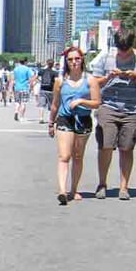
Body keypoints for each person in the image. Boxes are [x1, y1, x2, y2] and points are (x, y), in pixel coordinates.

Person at [90, 29, 136, 200]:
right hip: (108, 107)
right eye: (120, 49)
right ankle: (102, 183)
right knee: (105, 145)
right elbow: (93, 82)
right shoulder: (106, 57)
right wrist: (107, 77)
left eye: (126, 50)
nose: (122, 52)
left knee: (126, 148)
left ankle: (123, 187)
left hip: (132, 109)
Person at [48, 46, 101, 204]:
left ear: (82, 59)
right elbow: (55, 105)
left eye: (77, 59)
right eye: (70, 59)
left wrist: (82, 101)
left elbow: (97, 102)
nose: (74, 62)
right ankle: (63, 190)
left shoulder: (90, 80)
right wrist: (51, 122)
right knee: (64, 156)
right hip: (65, 119)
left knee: (78, 156)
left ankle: (74, 189)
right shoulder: (60, 81)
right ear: (66, 62)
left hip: (83, 119)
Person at [37, 59, 57, 124]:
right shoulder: (54, 72)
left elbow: (37, 77)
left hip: (42, 89)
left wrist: (40, 82)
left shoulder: (42, 71)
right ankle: (50, 119)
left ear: (47, 63)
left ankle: (41, 118)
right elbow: (56, 81)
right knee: (50, 105)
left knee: (41, 105)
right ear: (53, 64)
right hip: (51, 90)